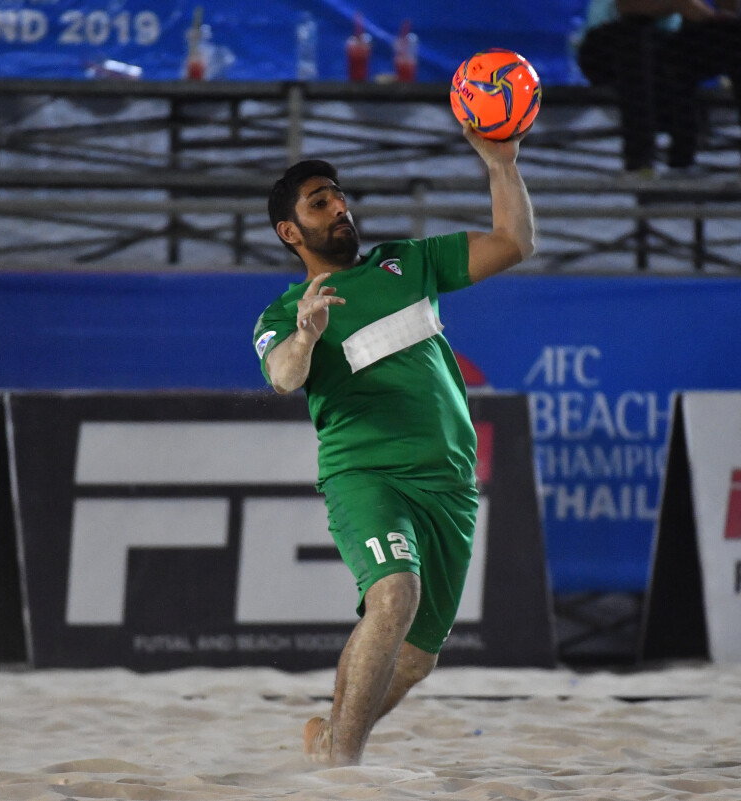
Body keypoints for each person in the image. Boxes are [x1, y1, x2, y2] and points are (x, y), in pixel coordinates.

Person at [251, 126, 535, 767]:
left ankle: (331, 740)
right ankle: (344, 772)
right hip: (368, 475)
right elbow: (284, 377)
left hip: (450, 484)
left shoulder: (405, 263)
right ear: (290, 232)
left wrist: (501, 163)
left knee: (415, 659)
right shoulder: (285, 313)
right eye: (319, 203)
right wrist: (307, 335)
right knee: (395, 595)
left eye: (338, 195)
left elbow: (514, 242)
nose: (339, 207)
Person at [576, 0, 741, 176]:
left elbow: (728, 12)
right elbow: (629, 6)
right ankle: (639, 162)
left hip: (665, 44)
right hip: (608, 42)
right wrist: (681, 4)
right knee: (636, 33)